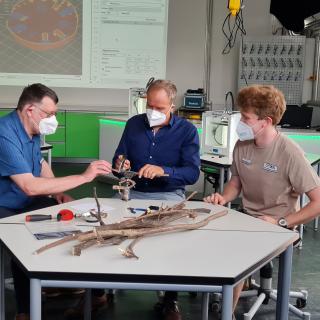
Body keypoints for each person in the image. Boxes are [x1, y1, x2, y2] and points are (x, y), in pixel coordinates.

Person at [204, 84, 320, 319]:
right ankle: (228, 290)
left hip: (279, 225)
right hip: (249, 218)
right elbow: (236, 182)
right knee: (207, 237)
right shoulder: (242, 144)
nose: (240, 123)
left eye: (245, 118)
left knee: (235, 256)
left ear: (266, 121)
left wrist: (282, 222)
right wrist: (223, 197)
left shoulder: (289, 152)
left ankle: (229, 312)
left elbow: (318, 202)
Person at [0, 83, 112, 320]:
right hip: (6, 205)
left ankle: (88, 291)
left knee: (75, 218)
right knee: (25, 237)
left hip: (26, 200)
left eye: (54, 114)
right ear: (30, 109)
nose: (53, 119)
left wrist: (56, 194)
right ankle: (25, 310)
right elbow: (29, 186)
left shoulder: (32, 129)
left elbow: (39, 163)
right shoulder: (4, 133)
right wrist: (83, 177)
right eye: (48, 114)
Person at [112, 79, 201, 320]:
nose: (153, 112)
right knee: (108, 229)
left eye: (160, 108)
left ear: (173, 106)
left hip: (168, 194)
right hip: (132, 191)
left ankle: (170, 300)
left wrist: (165, 170)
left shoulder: (187, 131)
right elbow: (117, 164)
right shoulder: (133, 125)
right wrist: (122, 164)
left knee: (171, 239)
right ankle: (99, 291)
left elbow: (192, 174)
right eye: (149, 105)